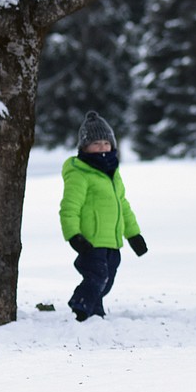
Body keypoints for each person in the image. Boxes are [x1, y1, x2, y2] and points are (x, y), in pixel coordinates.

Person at [59, 111, 148, 321]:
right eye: (96, 143)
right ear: (84, 147)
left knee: (106, 281)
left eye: (106, 143)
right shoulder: (79, 173)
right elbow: (69, 207)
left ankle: (95, 312)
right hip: (91, 240)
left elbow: (122, 206)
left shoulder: (113, 173)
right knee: (97, 276)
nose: (102, 147)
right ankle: (80, 305)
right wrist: (73, 235)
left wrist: (134, 235)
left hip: (113, 240)